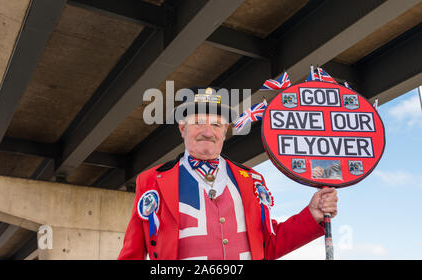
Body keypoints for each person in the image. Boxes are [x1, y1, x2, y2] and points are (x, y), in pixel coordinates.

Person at [118, 87, 338, 260]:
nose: (207, 131)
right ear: (182, 128)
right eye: (198, 123)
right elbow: (133, 254)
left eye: (216, 124)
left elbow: (268, 246)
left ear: (225, 131)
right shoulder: (151, 180)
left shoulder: (252, 179)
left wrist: (312, 214)